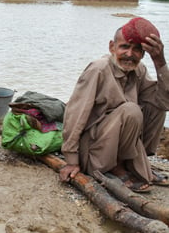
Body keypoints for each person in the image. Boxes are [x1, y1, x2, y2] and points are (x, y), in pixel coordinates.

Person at [59, 17, 169, 193]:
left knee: (157, 108)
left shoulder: (138, 70)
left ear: (143, 54)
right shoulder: (99, 69)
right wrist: (71, 160)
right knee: (131, 110)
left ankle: (138, 163)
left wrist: (160, 62)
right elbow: (75, 114)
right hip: (94, 150)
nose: (129, 54)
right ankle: (116, 168)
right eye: (124, 47)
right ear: (112, 47)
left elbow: (165, 102)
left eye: (137, 50)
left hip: (119, 141)